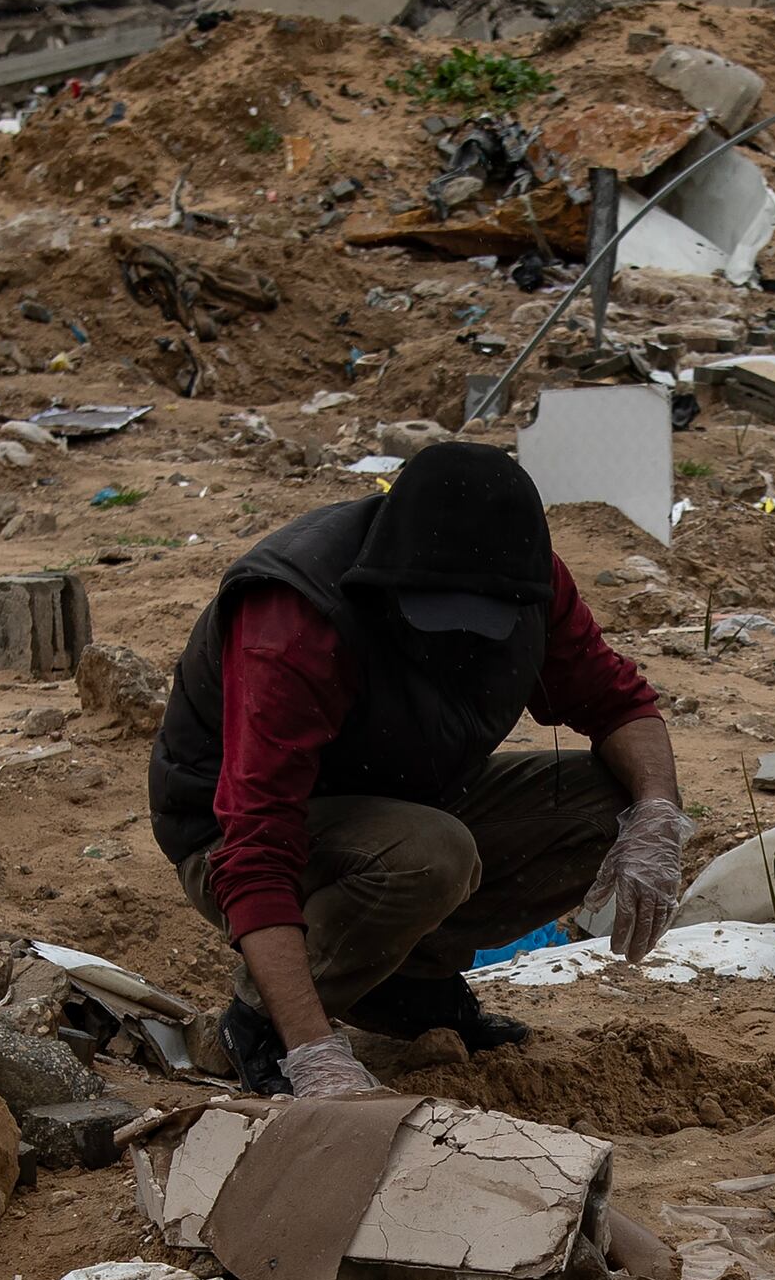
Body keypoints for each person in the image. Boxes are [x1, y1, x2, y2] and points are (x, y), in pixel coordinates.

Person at [150, 440, 693, 1098]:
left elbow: (620, 703)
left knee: (612, 808)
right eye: (439, 614)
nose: (459, 637)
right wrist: (313, 1048)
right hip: (226, 833)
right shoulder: (297, 618)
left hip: (409, 799)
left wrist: (659, 815)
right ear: (391, 575)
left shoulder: (530, 583)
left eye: (481, 620)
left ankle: (403, 979)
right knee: (432, 856)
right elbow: (257, 843)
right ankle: (262, 1023)